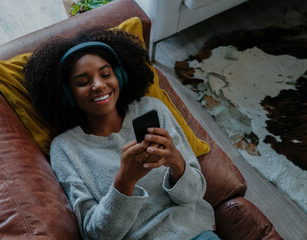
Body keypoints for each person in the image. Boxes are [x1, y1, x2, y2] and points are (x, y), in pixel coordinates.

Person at [24, 27, 219, 240]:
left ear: (120, 76)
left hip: (196, 234)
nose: (99, 85)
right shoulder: (66, 148)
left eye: (106, 74)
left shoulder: (152, 109)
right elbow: (97, 235)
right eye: (83, 82)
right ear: (66, 95)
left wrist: (176, 162)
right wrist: (125, 181)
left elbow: (195, 194)